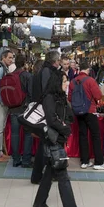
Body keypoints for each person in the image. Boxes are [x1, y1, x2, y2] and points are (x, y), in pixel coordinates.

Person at [32, 69, 85, 207]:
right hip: (53, 139)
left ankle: (39, 202)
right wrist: (65, 128)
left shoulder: (61, 97)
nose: (66, 83)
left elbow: (69, 115)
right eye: (63, 81)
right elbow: (51, 119)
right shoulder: (49, 98)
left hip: (59, 138)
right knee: (63, 177)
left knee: (50, 170)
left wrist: (65, 124)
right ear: (56, 82)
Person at [68, 60, 104, 170]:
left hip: (78, 112)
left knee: (83, 136)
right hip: (90, 111)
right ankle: (99, 162)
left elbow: (70, 98)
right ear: (88, 70)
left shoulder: (73, 81)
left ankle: (84, 161)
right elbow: (98, 95)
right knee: (95, 136)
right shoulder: (90, 81)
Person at [31, 51, 61, 184]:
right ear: (56, 60)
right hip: (46, 112)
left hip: (46, 110)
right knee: (47, 143)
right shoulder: (47, 72)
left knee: (47, 143)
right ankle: (41, 175)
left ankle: (47, 173)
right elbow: (47, 92)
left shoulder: (45, 70)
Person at [10, 54, 34, 167]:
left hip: (13, 108)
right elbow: (31, 94)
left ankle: (15, 159)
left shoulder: (10, 75)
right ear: (25, 63)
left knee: (15, 134)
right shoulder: (28, 76)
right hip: (25, 109)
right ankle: (26, 160)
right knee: (28, 134)